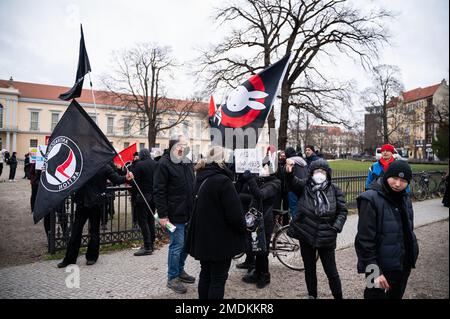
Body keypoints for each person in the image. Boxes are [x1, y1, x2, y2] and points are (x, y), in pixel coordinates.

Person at [186, 146, 246, 299]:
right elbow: (235, 215)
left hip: (203, 238)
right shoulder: (223, 181)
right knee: (218, 279)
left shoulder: (200, 177)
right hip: (220, 240)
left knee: (205, 275)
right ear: (222, 159)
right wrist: (242, 230)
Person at [355, 161, 419, 299]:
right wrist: (374, 271)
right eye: (394, 178)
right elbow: (364, 241)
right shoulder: (370, 199)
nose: (397, 184)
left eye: (403, 180)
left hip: (402, 265)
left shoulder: (405, 198)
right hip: (378, 267)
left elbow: (408, 229)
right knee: (372, 295)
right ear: (386, 176)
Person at [286, 159, 347, 299]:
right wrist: (289, 172)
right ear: (311, 173)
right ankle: (312, 295)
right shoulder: (305, 187)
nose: (319, 174)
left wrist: (335, 227)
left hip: (327, 236)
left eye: (322, 171)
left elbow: (342, 211)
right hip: (306, 234)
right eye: (316, 171)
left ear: (327, 174)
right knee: (309, 269)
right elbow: (293, 182)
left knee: (331, 271)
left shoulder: (335, 189)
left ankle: (339, 296)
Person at [57, 164, 133, 268]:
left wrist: (125, 177)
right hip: (82, 202)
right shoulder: (82, 164)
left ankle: (92, 257)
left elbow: (115, 178)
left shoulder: (104, 166)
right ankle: (70, 258)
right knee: (76, 231)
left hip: (96, 203)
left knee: (94, 231)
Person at [153, 135, 196, 294]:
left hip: (188, 212)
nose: (184, 148)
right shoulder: (164, 164)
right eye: (182, 145)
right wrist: (163, 216)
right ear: (173, 147)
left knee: (186, 245)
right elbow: (159, 191)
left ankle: (180, 270)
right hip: (173, 215)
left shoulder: (185, 161)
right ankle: (172, 278)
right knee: (177, 246)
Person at [240, 163, 281, 289]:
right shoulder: (261, 180)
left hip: (266, 220)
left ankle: (264, 275)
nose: (262, 169)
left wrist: (251, 179)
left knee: (263, 249)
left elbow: (260, 195)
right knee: (256, 247)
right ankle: (256, 273)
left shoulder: (275, 183)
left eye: (266, 167)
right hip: (255, 218)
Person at [132, 149, 157, 256]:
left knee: (143, 221)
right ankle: (151, 243)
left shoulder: (139, 165)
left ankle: (147, 246)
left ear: (141, 155)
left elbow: (135, 182)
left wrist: (133, 197)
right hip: (153, 196)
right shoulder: (155, 163)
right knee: (151, 219)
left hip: (142, 197)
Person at [284, 146, 308, 221]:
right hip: (303, 188)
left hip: (292, 189)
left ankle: (296, 227)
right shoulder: (303, 161)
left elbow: (287, 176)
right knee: (303, 209)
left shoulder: (289, 162)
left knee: (294, 209)